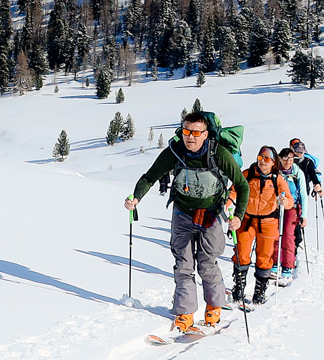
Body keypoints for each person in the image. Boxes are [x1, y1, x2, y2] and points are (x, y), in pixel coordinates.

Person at [125, 108, 250, 337]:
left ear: (205, 134)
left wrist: (239, 216)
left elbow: (242, 185)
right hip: (182, 213)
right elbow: (149, 177)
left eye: (195, 132)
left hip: (211, 214)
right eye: (186, 131)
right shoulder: (174, 151)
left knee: (207, 262)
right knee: (183, 264)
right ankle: (185, 313)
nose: (190, 137)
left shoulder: (218, 153)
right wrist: (136, 197)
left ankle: (214, 306)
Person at [233, 146, 293, 304]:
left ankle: (260, 291)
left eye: (266, 159)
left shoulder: (278, 178)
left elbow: (289, 202)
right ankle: (238, 287)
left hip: (268, 222)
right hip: (247, 220)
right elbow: (235, 189)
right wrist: (228, 201)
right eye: (260, 158)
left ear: (273, 161)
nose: (262, 162)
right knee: (241, 252)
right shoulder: (248, 173)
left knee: (265, 257)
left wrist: (285, 202)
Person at [276, 146, 305, 284]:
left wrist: (304, 215)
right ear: (280, 158)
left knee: (287, 236)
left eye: (291, 158)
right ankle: (274, 264)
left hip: (292, 208)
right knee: (274, 235)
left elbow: (303, 194)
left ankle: (287, 266)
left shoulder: (297, 172)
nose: (288, 161)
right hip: (275, 207)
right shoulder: (275, 172)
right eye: (286, 158)